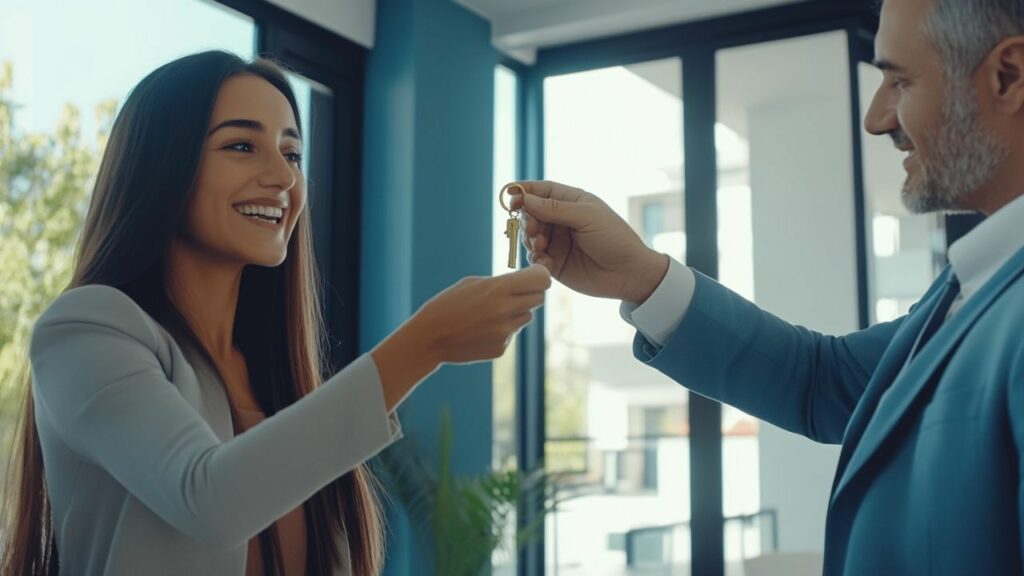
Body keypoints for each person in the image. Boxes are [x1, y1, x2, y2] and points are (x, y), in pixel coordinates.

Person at [511, 0, 1024, 573]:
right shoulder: (969, 284)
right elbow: (821, 380)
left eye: (899, 81)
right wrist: (642, 277)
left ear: (1009, 76)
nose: (877, 118)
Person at [0, 51, 551, 576]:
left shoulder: (278, 378)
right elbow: (211, 500)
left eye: (292, 154)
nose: (284, 179)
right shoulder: (85, 330)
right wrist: (426, 343)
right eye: (242, 146)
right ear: (162, 165)